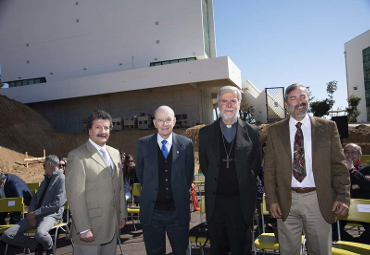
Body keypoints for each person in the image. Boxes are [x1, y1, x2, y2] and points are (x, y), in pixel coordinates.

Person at [264, 83, 351, 255]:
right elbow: (269, 170)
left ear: (308, 100)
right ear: (287, 105)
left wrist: (343, 196)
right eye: (293, 98)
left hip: (318, 200)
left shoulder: (327, 127)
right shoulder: (274, 131)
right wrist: (272, 200)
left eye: (303, 96)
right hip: (286, 201)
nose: (299, 101)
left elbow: (339, 165)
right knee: (288, 251)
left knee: (320, 250)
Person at [199, 86, 262, 254]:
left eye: (233, 101)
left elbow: (255, 165)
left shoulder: (252, 132)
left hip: (241, 204)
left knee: (241, 249)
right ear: (218, 104)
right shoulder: (205, 133)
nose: (228, 105)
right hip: (216, 204)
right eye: (224, 101)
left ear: (239, 104)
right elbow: (206, 166)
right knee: (218, 249)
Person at [66, 110, 127, 255]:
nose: (103, 131)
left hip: (112, 225)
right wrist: (83, 227)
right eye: (98, 127)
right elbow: (75, 195)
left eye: (106, 128)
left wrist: (122, 214)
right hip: (90, 228)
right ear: (89, 130)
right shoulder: (77, 156)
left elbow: (118, 187)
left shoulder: (114, 153)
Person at [136, 105, 194, 255]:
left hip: (177, 212)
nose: (165, 124)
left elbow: (188, 176)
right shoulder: (143, 144)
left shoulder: (186, 144)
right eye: (160, 120)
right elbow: (141, 175)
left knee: (182, 251)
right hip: (152, 212)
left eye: (168, 119)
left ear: (174, 121)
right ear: (154, 123)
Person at [2, 155, 66, 255]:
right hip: (37, 214)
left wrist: (35, 213)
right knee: (7, 235)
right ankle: (36, 246)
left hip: (51, 215)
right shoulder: (46, 179)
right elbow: (35, 197)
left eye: (44, 165)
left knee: (40, 234)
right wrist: (31, 212)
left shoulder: (62, 179)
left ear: (49, 164)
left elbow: (57, 203)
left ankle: (49, 248)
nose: (44, 167)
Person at [333, 143, 370, 243]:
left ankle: (358, 246)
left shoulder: (367, 168)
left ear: (360, 155)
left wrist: (352, 170)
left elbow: (368, 186)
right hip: (342, 207)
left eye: (353, 152)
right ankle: (352, 245)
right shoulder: (336, 169)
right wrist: (356, 185)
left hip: (364, 209)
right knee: (331, 229)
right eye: (346, 152)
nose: (349, 155)